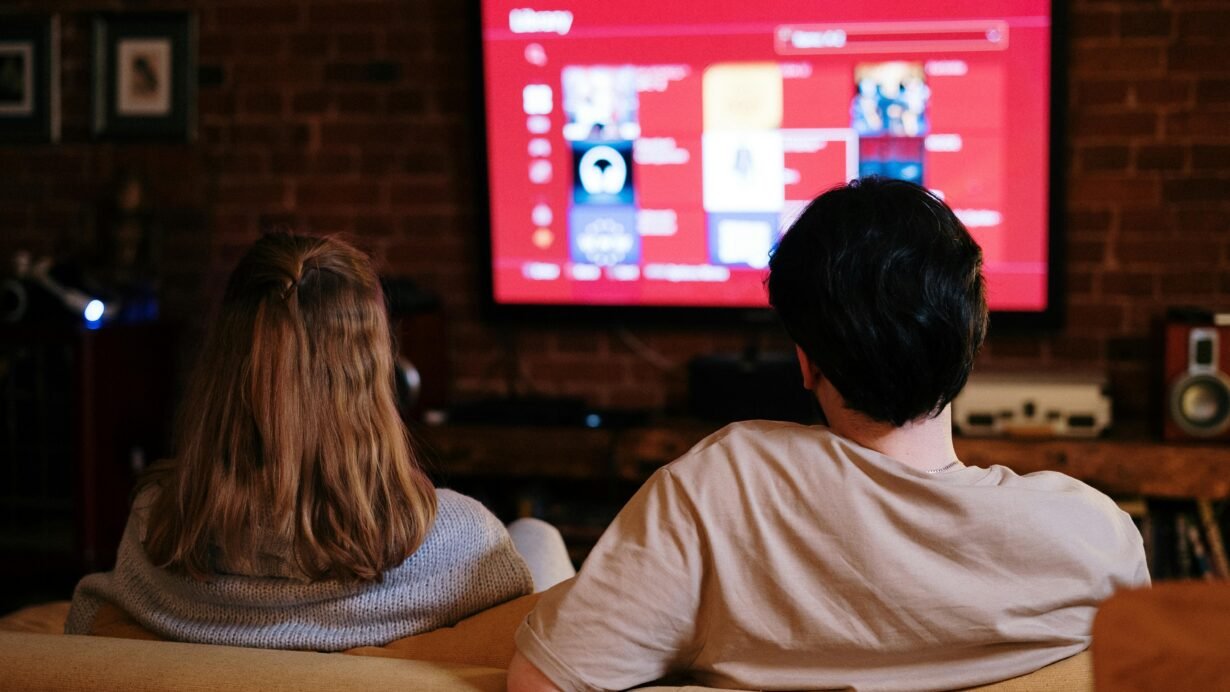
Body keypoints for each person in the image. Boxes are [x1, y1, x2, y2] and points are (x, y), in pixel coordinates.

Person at [508, 178, 1150, 691]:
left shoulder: (724, 487)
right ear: (971, 339)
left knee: (530, 537)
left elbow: (542, 682)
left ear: (806, 360)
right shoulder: (1099, 538)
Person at [65, 232, 572, 651]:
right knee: (538, 534)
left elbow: (91, 617)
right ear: (376, 373)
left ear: (222, 370)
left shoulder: (155, 524)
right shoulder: (461, 541)